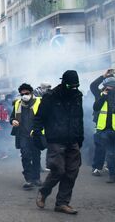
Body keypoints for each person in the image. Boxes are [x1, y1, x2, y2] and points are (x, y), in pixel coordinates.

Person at [34, 70, 84, 214]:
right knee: (58, 170)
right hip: (55, 139)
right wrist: (37, 135)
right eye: (71, 86)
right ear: (63, 83)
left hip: (72, 139)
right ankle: (44, 192)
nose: (74, 89)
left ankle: (62, 203)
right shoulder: (50, 96)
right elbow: (39, 118)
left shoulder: (77, 95)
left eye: (76, 86)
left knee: (72, 172)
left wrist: (80, 137)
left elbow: (79, 118)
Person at [10, 83, 43, 190]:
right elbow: (12, 117)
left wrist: (37, 130)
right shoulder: (17, 103)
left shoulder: (39, 102)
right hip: (23, 134)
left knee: (36, 156)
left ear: (31, 93)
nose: (24, 95)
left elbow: (44, 118)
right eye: (22, 94)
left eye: (27, 93)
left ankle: (36, 178)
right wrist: (13, 121)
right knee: (25, 156)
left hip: (36, 134)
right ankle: (28, 179)